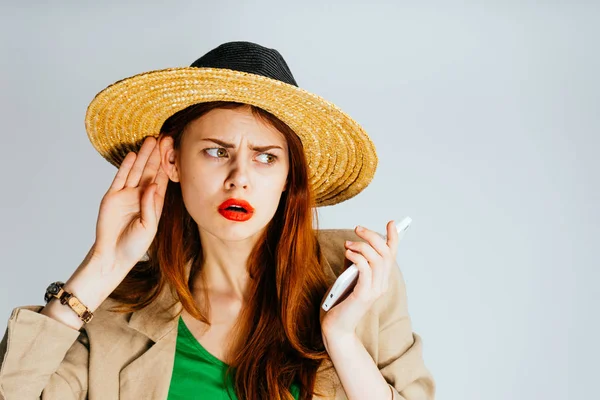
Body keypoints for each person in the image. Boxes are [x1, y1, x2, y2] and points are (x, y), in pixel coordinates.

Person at [0, 41, 435, 399]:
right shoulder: (118, 309)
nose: (239, 179)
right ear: (173, 161)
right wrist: (101, 268)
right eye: (216, 151)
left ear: (289, 177)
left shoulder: (357, 276)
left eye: (265, 157)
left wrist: (341, 338)